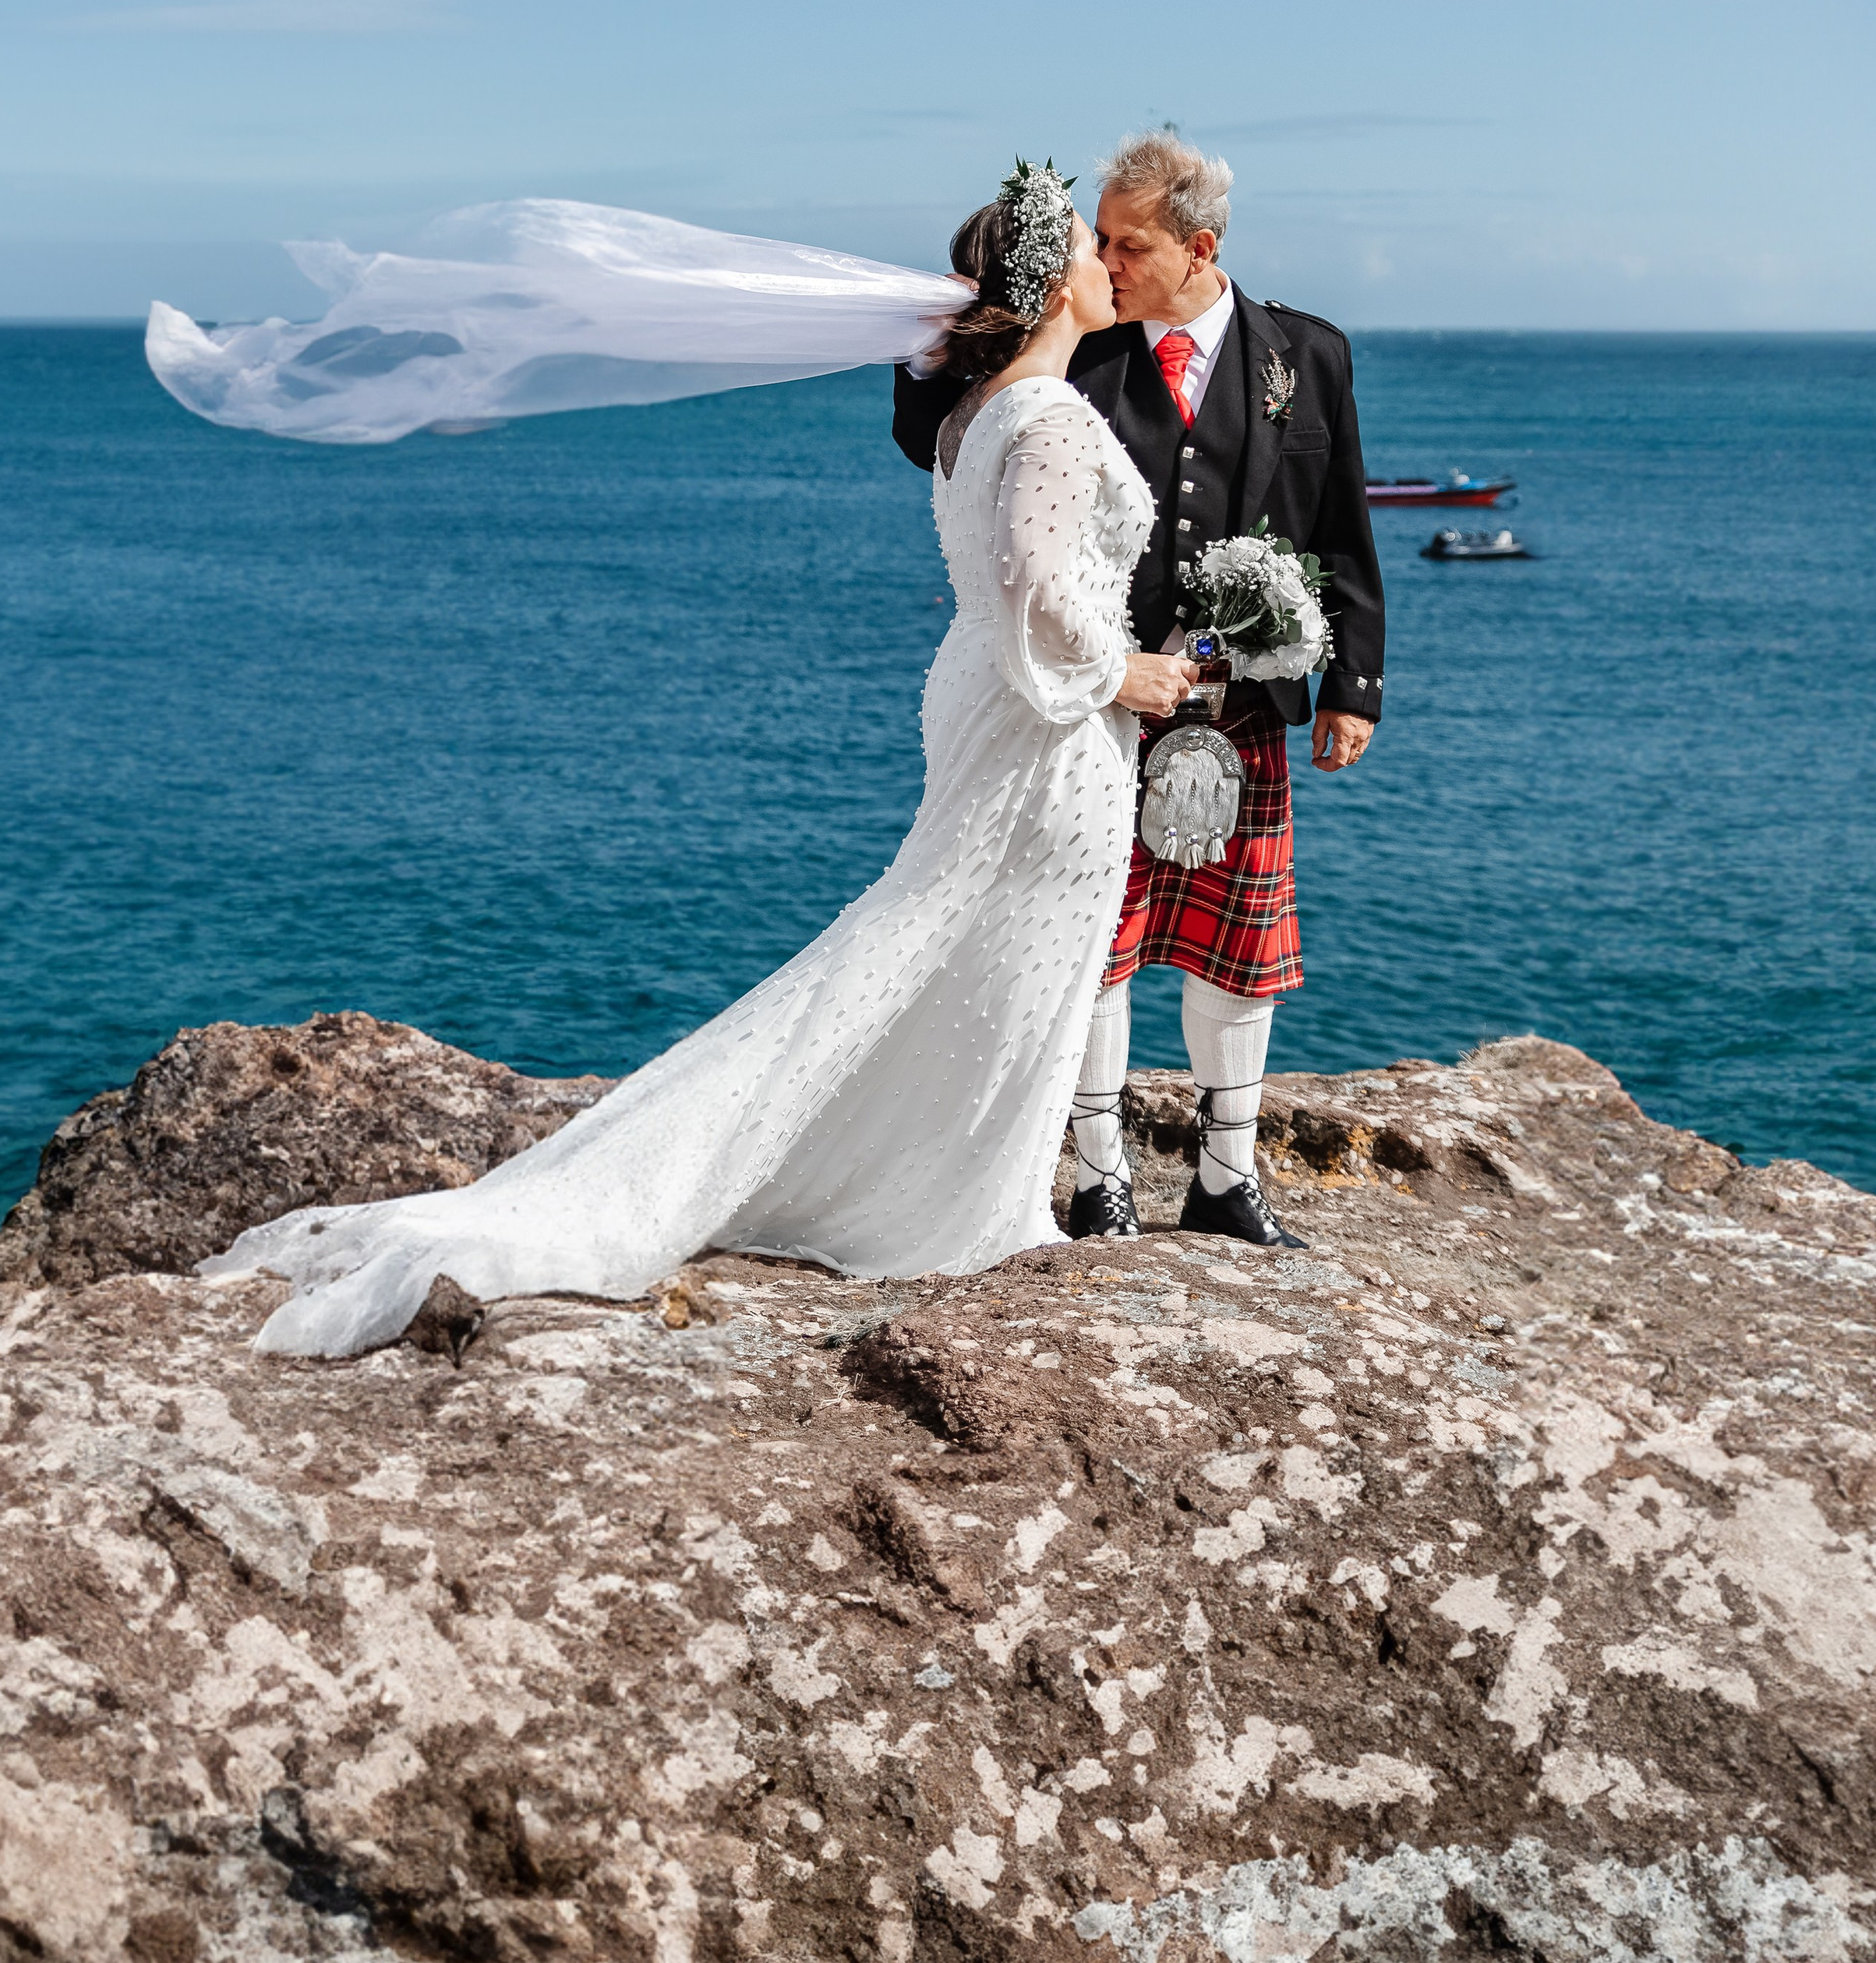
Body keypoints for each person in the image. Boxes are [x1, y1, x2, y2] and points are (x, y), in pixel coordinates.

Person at [205, 164, 1199, 1356]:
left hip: (1002, 703)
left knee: (956, 942)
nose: (1110, 263)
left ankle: (960, 1182)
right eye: (1091, 249)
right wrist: (1125, 673)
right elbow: (1032, 584)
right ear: (1048, 287)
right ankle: (963, 1199)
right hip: (1050, 724)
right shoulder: (1047, 416)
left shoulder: (970, 420)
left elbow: (1016, 588)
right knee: (978, 946)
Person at [892, 131, 1384, 1250]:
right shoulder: (1084, 351)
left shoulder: (1309, 353)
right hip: (1101, 704)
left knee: (1240, 954)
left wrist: (1355, 683)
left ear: (1199, 247)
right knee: (1098, 943)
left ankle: (1227, 1177)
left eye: (1130, 242)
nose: (1107, 260)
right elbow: (929, 431)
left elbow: (1342, 521)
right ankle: (1100, 1176)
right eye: (1097, 239)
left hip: (1243, 704)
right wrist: (936, 331)